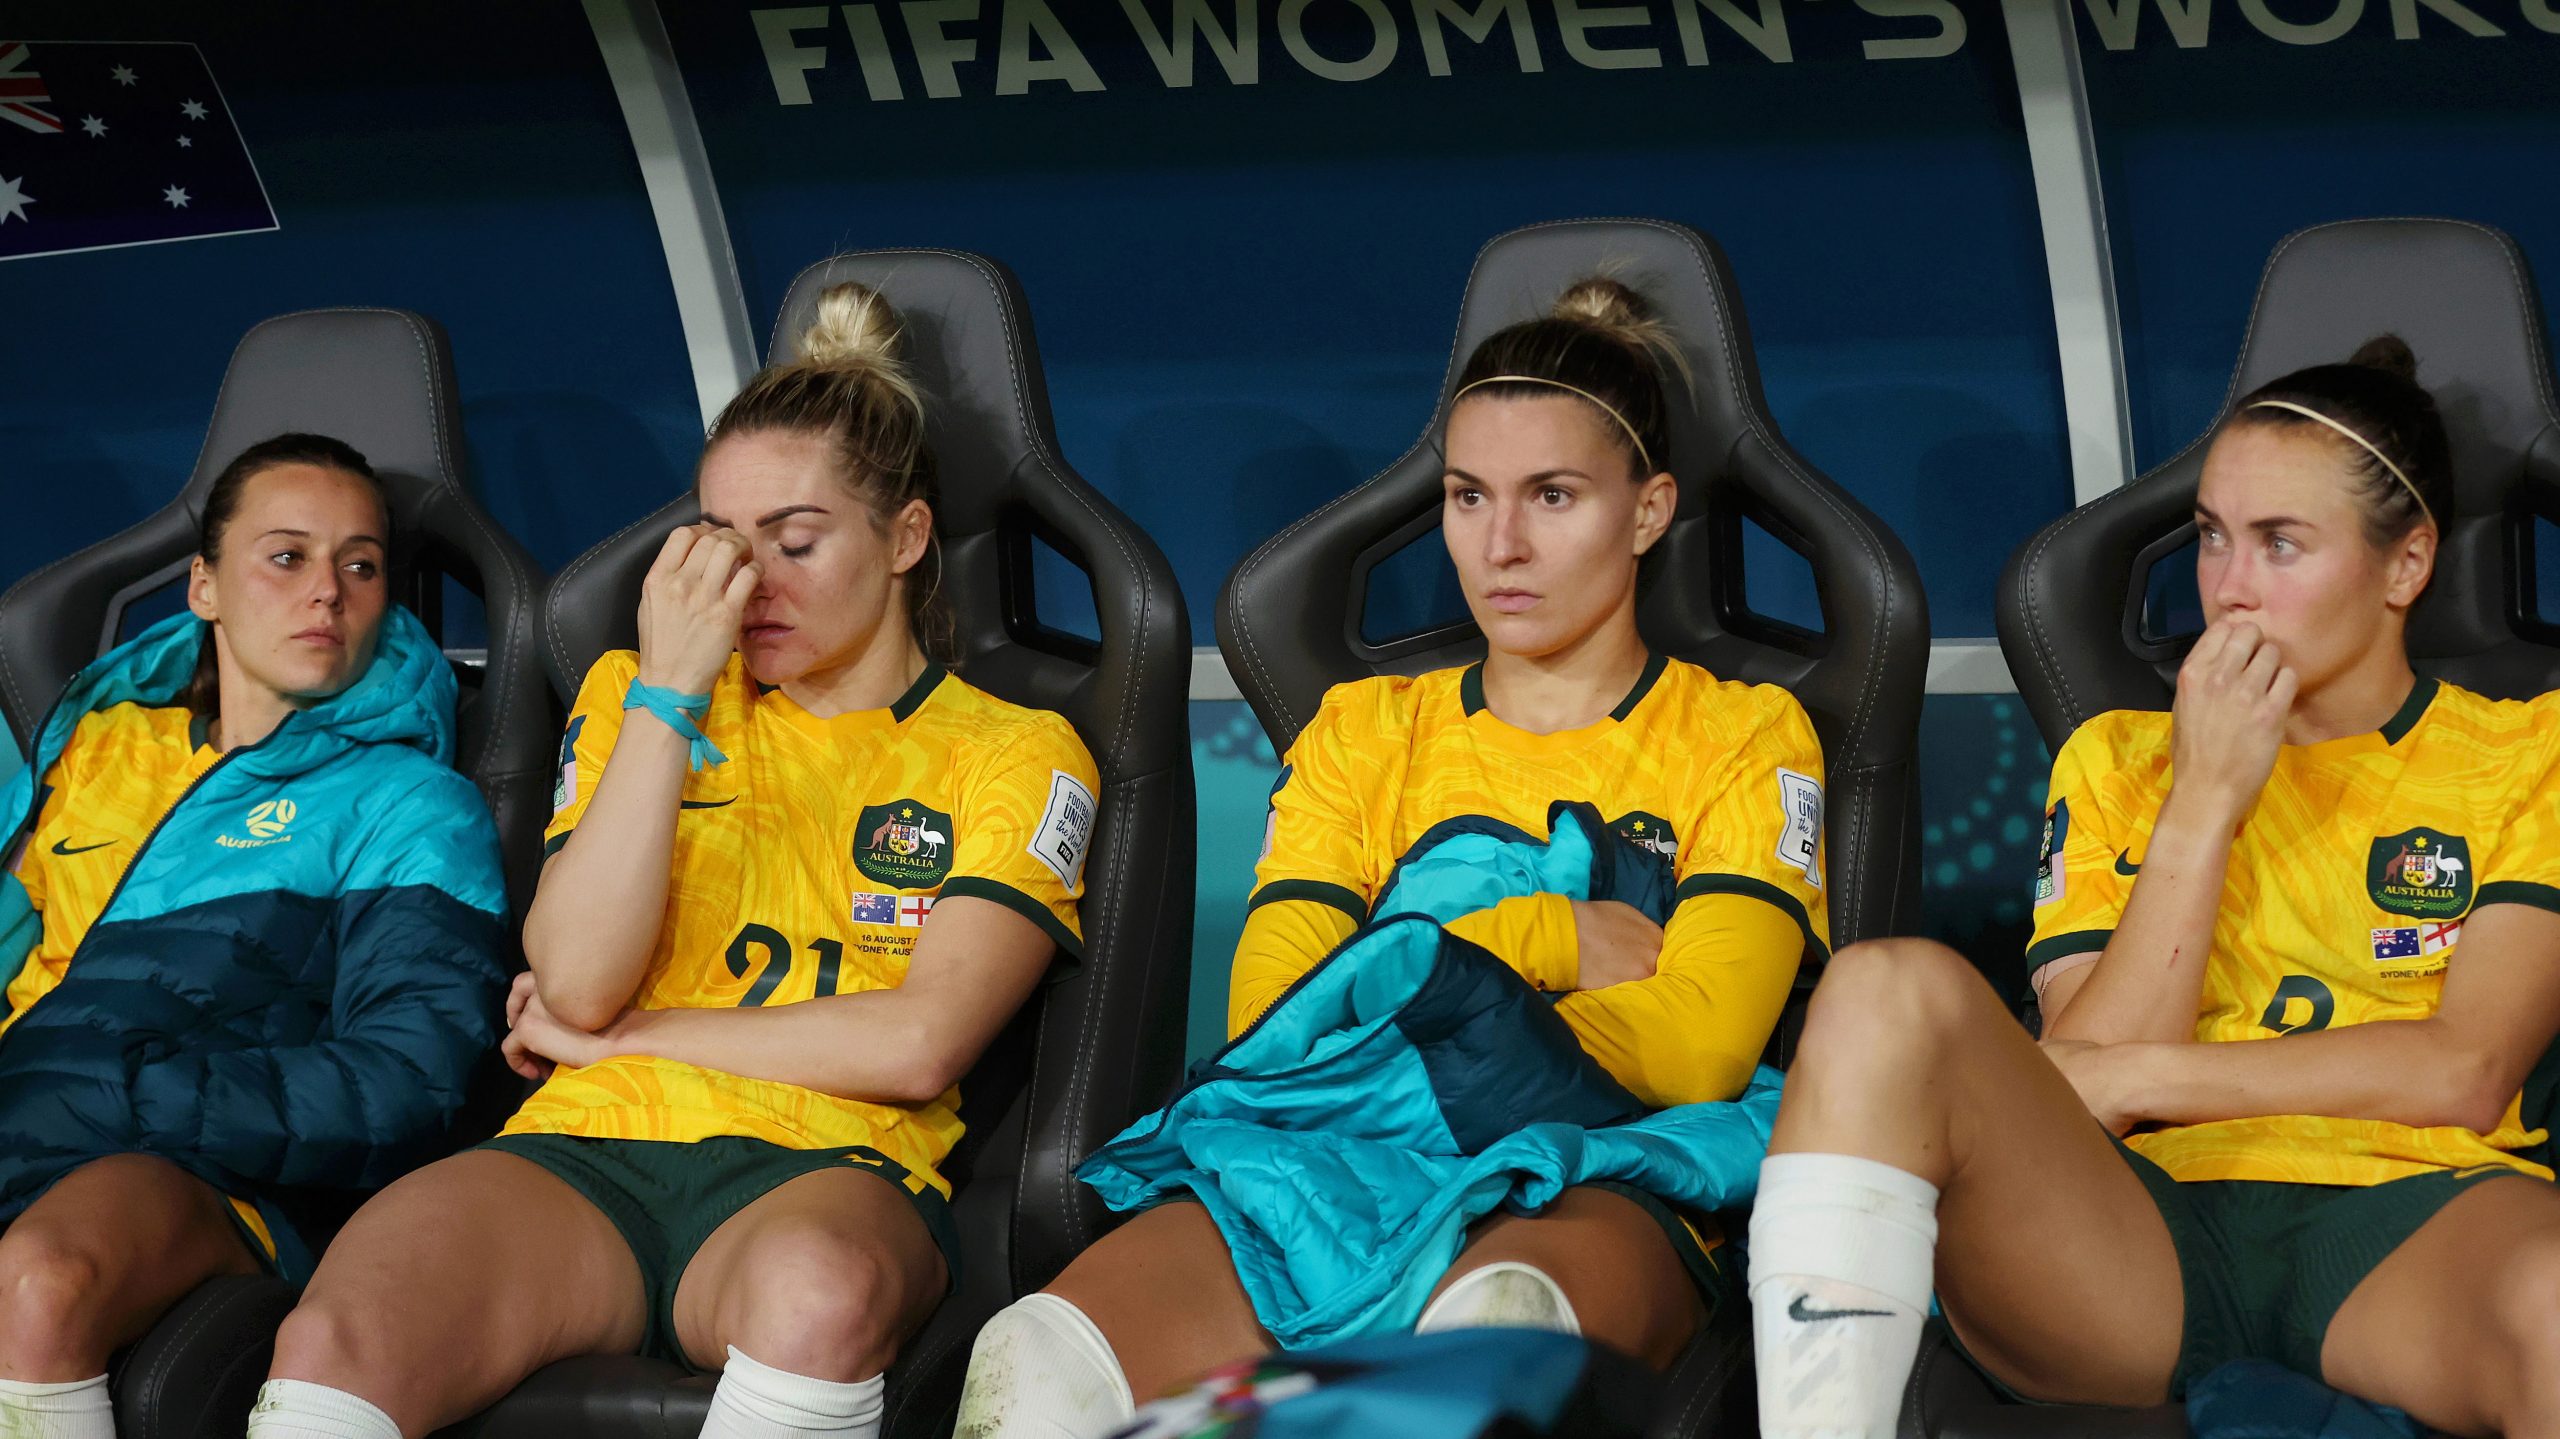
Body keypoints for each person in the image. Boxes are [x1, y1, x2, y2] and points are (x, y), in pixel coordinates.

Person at [955, 277, 1831, 1437]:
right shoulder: (1360, 731)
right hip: (1325, 1164)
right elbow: (1276, 1019)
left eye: (1552, 495)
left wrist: (1387, 984)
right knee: (1029, 1367)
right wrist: (1540, 938)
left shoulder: (1742, 734)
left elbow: (1698, 1044)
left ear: (1647, 509)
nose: (1500, 544)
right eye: (1468, 496)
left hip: (1596, 1166)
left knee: (1486, 1342)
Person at [251, 282, 1101, 1439]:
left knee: (818, 1293)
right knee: (338, 1331)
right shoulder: (632, 694)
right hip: (585, 1144)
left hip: (829, 1157)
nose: (750, 585)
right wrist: (668, 695)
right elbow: (577, 980)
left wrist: (629, 1035)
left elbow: (917, 1042)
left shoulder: (1012, 748)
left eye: (795, 542)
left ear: (905, 538)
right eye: (720, 544)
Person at [1747, 336, 2560, 1439]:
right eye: (2214, 536)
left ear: (2405, 565)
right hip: (2130, 1230)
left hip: (2411, 1211)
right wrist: (2203, 800)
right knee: (1878, 984)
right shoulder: (2116, 758)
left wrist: (2142, 1075)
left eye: (2281, 543)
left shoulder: (2528, 751)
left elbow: (2465, 1069)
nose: (2229, 588)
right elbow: (2083, 1084)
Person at [0, 433, 510, 1439]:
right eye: (287, 556)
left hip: (211, 1175)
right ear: (204, 586)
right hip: (28, 1123)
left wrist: (125, 1092)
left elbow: (409, 1078)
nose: (326, 591)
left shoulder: (407, 801)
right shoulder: (98, 748)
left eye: (360, 565)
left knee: (40, 1282)